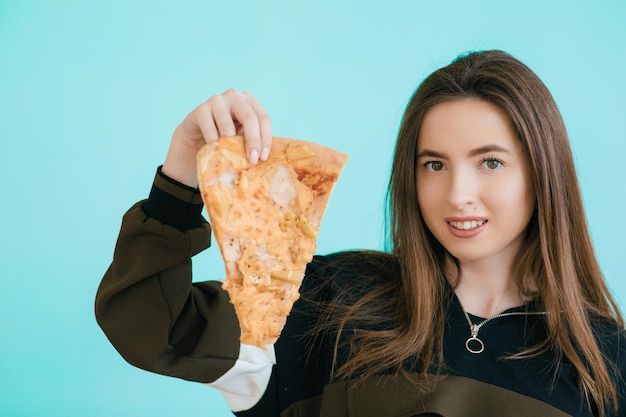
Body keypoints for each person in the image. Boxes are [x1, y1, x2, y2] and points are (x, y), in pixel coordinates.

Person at [95, 50, 626, 417]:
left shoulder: (605, 361)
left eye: (490, 162)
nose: (458, 193)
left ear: (542, 172)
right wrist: (184, 166)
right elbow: (151, 327)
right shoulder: (329, 300)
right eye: (434, 165)